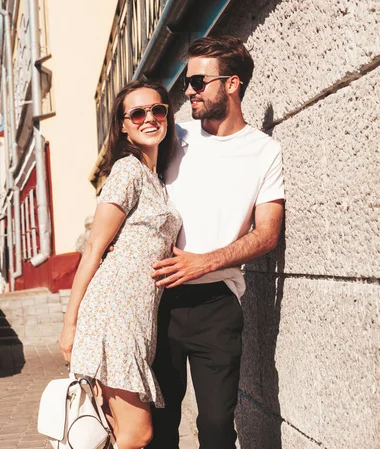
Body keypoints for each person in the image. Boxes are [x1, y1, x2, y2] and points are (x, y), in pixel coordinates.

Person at [145, 36, 285, 449]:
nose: (188, 90)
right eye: (188, 81)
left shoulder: (264, 151)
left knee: (218, 428)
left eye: (198, 81)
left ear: (232, 84)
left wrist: (204, 262)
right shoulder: (174, 137)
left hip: (217, 306)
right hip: (159, 300)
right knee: (159, 425)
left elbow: (268, 233)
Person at [59, 80, 182, 449]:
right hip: (115, 311)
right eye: (138, 113)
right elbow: (95, 247)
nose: (149, 119)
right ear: (123, 125)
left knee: (114, 432)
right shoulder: (127, 171)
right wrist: (71, 323)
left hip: (138, 315)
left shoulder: (157, 179)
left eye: (158, 110)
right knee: (137, 433)